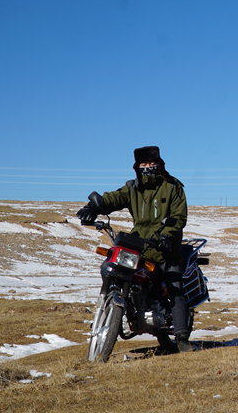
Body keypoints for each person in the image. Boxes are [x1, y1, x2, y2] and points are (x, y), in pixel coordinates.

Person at [76, 146, 196, 353]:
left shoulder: (173, 187)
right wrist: (94, 207)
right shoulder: (133, 187)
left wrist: (167, 235)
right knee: (115, 268)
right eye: (144, 164)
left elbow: (178, 217)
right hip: (140, 244)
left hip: (166, 247)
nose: (148, 167)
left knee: (175, 287)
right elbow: (113, 198)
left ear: (159, 163)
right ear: (137, 166)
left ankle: (182, 338)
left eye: (152, 163)